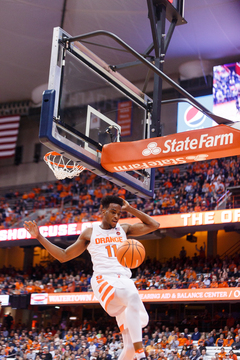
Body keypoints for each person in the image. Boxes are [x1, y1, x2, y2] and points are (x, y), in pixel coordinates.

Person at [24, 195, 159, 360]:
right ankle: (142, 355)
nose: (117, 216)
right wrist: (39, 236)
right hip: (104, 280)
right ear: (103, 210)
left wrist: (129, 209)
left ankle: (135, 351)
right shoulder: (90, 233)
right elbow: (64, 255)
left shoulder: (123, 229)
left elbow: (154, 225)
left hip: (124, 280)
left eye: (119, 213)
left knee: (132, 339)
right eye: (113, 212)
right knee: (132, 298)